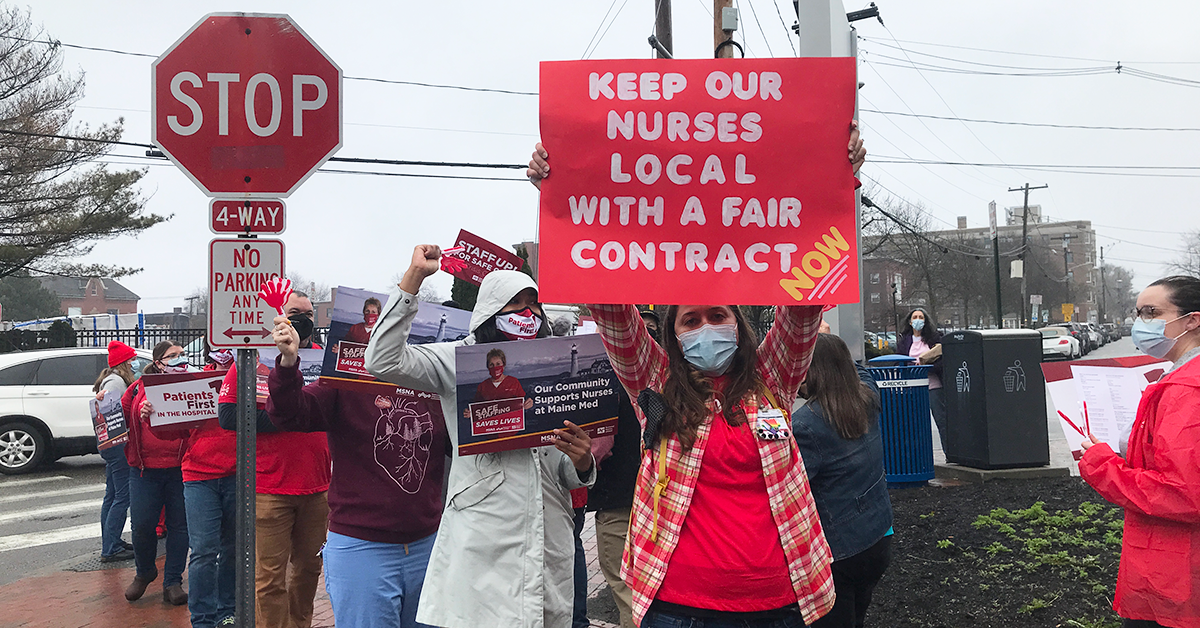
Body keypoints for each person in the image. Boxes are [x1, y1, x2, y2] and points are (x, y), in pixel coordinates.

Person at [526, 122, 865, 628]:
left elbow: (805, 301)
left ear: (739, 323)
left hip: (780, 605)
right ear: (674, 334)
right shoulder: (655, 381)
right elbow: (610, 308)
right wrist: (564, 194)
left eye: (717, 316)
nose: (705, 327)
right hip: (678, 609)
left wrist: (836, 182)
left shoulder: (773, 377)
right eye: (690, 320)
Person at [364, 256, 596, 628]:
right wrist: (412, 283)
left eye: (533, 303)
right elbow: (382, 361)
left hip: (549, 532)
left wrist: (582, 462)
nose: (528, 312)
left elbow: (560, 467)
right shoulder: (458, 359)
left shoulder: (550, 364)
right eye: (515, 304)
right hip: (483, 539)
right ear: (490, 309)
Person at [267, 313, 451, 628]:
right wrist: (288, 364)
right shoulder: (345, 383)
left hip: (428, 543)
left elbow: (462, 443)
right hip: (363, 548)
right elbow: (290, 413)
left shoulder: (432, 383)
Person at [1078, 275, 1200, 628]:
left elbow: (1183, 493)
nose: (1140, 324)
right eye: (1138, 313)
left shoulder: (1186, 388)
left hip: (1176, 577)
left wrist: (1102, 464)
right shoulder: (1178, 378)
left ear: (1192, 319)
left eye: (1152, 312)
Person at [218, 291, 332, 628]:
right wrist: (287, 417)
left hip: (317, 487)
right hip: (270, 488)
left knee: (310, 571)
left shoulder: (325, 361)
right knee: (269, 578)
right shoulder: (257, 359)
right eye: (296, 312)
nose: (304, 319)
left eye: (309, 314)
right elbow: (227, 415)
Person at [791, 334, 893, 628]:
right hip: (878, 538)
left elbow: (794, 490)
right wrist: (831, 341)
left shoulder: (806, 426)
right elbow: (863, 372)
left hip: (839, 554)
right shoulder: (867, 399)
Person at [584, 309, 662, 628]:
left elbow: (596, 450)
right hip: (648, 501)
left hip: (626, 502)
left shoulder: (607, 380)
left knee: (629, 592)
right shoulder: (674, 382)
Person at [121, 340, 189, 606]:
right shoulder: (138, 388)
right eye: (172, 356)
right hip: (144, 471)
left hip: (180, 470)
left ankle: (173, 581)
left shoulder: (191, 385)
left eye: (181, 355)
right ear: (158, 361)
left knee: (179, 528)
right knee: (141, 526)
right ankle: (145, 571)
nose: (179, 360)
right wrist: (105, 401)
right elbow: (120, 416)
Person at [92, 341, 137, 563]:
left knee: (111, 495)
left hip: (110, 444)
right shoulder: (117, 382)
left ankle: (112, 541)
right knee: (122, 496)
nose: (135, 363)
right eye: (132, 359)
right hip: (117, 443)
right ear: (124, 362)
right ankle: (110, 548)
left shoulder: (110, 380)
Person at [897, 308, 946, 450]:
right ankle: (916, 452)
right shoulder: (904, 341)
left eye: (921, 317)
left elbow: (942, 361)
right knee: (914, 422)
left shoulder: (935, 339)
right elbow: (898, 360)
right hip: (913, 387)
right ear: (910, 321)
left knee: (941, 420)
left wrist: (925, 366)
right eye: (915, 317)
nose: (918, 320)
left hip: (933, 385)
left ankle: (949, 453)